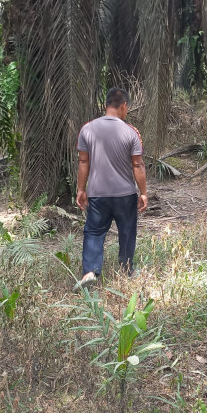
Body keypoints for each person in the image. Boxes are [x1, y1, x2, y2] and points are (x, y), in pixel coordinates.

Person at [74, 87, 148, 290]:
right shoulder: (131, 132)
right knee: (127, 231)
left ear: (106, 105)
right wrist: (143, 193)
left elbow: (83, 162)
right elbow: (138, 165)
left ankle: (90, 271)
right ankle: (126, 270)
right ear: (123, 106)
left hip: (97, 193)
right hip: (125, 194)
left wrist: (81, 189)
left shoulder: (87, 129)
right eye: (127, 108)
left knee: (94, 232)